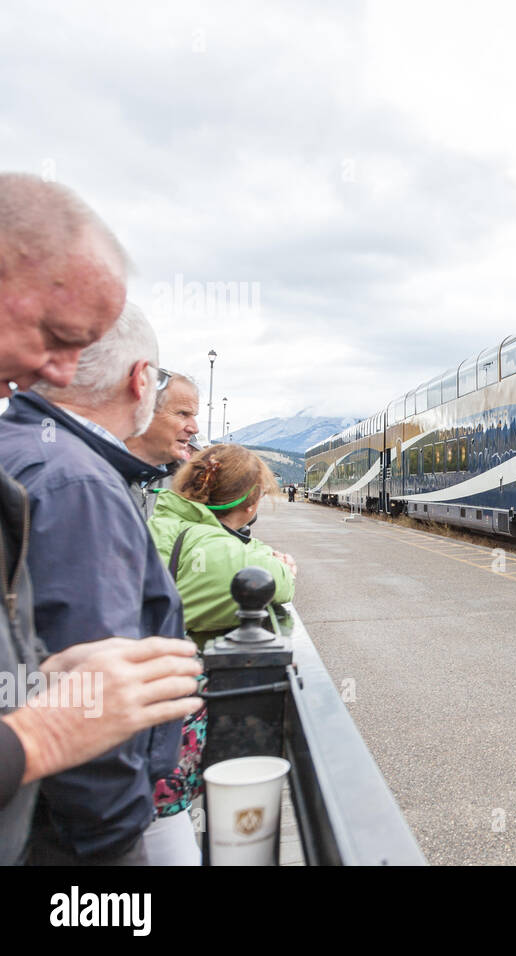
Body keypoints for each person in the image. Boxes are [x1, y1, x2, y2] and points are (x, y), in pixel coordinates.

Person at [0, 172, 200, 866]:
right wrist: (114, 846)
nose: (52, 369)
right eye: (56, 335)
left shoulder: (29, 453)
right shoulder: (75, 481)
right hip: (79, 845)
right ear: (142, 381)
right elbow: (99, 719)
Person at [146, 444, 296, 828]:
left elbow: (243, 549)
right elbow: (273, 579)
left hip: (141, 695)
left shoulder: (169, 522)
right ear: (251, 502)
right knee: (164, 833)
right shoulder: (212, 548)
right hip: (162, 717)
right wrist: (283, 568)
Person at [126, 371, 201, 518]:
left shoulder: (188, 483)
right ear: (144, 413)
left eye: (194, 416)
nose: (194, 428)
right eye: (183, 414)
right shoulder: (94, 474)